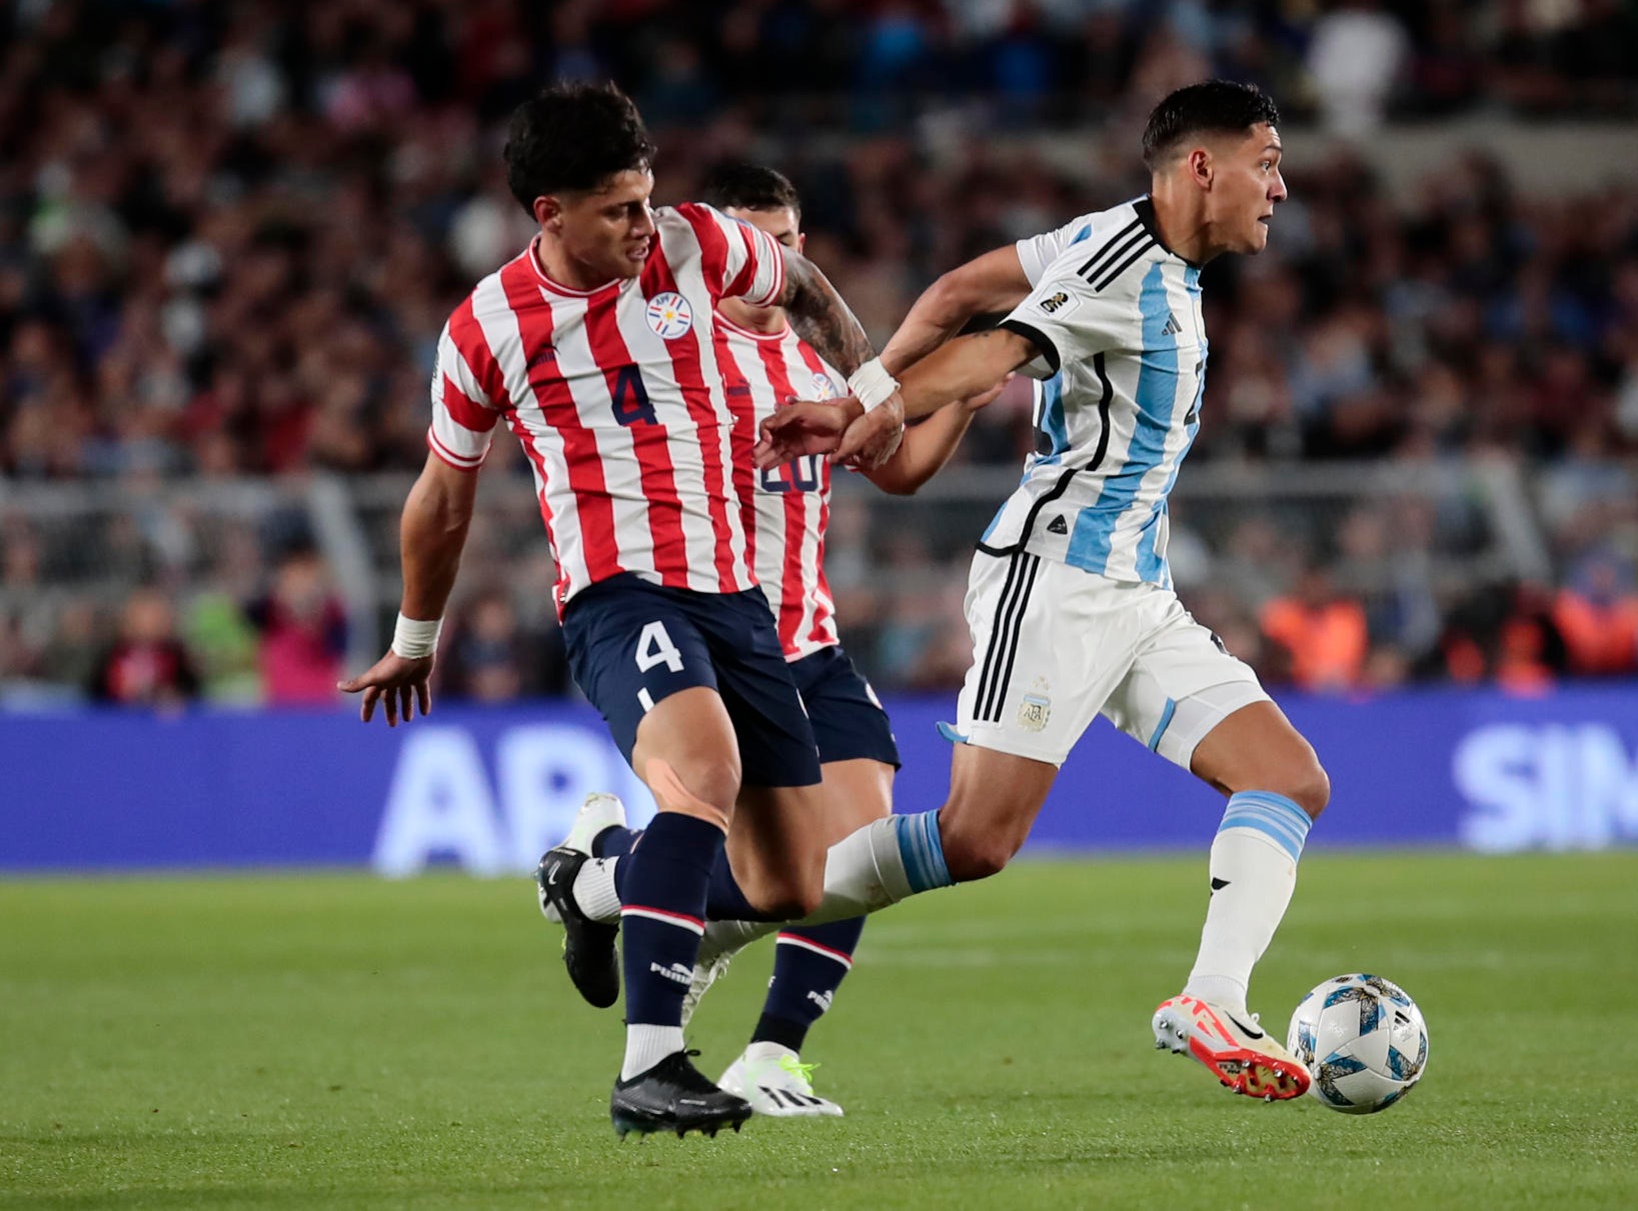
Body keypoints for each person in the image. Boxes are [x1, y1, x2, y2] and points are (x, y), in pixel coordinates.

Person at [337, 83, 901, 1139]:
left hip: (736, 597)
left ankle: (592, 885)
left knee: (791, 880)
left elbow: (809, 284)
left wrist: (871, 385)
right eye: (617, 210)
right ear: (548, 212)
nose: (645, 226)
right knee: (703, 776)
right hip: (617, 591)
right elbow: (443, 492)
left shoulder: (696, 245)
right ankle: (652, 1065)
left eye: (647, 201)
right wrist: (416, 635)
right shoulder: (487, 327)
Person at [750, 81, 1326, 1103]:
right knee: (976, 840)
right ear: (1203, 167)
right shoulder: (1121, 263)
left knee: (1288, 777)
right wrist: (861, 403)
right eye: (1266, 161)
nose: (1278, 186)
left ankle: (1213, 996)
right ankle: (687, 904)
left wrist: (876, 394)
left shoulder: (1109, 239)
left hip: (1139, 593)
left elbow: (957, 288)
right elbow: (996, 346)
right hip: (1054, 580)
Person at [542, 162, 1002, 1117]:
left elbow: (901, 468)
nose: (774, 262)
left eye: (789, 243)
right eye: (756, 241)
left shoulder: (821, 368)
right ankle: (604, 882)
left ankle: (769, 1053)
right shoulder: (674, 357)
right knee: (783, 867)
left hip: (813, 641)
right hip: (720, 642)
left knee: (858, 853)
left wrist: (959, 389)